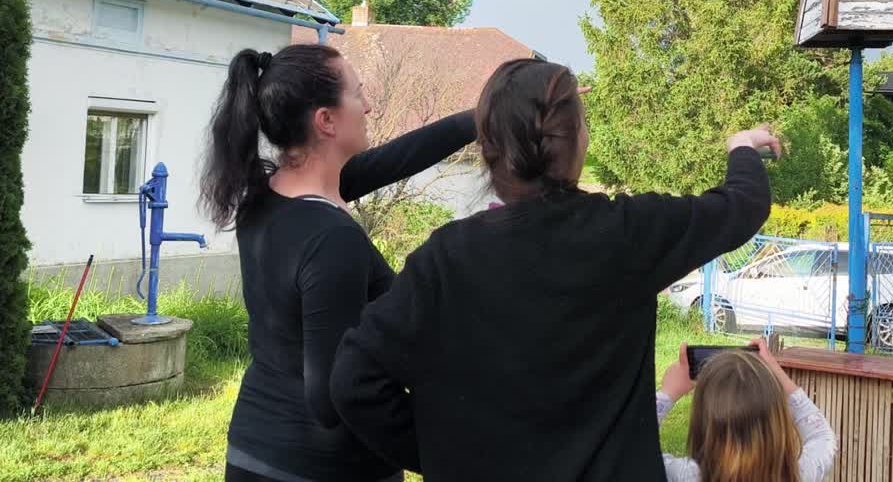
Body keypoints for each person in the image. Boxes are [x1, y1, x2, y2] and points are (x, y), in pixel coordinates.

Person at [329, 58, 780, 481]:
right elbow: (742, 205)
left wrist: (441, 454)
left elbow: (354, 381)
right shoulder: (627, 233)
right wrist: (741, 147)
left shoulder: (444, 259)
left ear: (487, 150)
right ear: (579, 139)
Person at [199, 44, 476, 482]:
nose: (369, 106)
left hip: (256, 450)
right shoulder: (331, 238)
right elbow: (331, 397)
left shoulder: (269, 193)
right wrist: (445, 446)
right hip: (325, 468)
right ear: (325, 121)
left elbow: (397, 158)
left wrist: (480, 118)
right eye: (358, 94)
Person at [655, 340, 837, 482]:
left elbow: (631, 448)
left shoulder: (685, 476)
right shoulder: (798, 475)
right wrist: (779, 376)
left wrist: (668, 393)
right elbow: (822, 436)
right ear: (776, 421)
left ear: (702, 425)